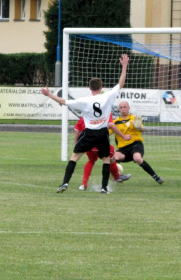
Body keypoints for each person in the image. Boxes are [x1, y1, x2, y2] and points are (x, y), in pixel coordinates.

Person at [40, 53, 130, 194]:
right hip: (102, 134)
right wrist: (124, 66)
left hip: (88, 133)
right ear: (101, 87)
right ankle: (104, 188)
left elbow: (63, 102)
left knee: (75, 157)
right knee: (106, 159)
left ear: (89, 88)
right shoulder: (107, 96)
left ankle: (64, 183)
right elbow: (121, 84)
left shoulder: (84, 101)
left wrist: (49, 94)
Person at [74, 116, 132, 191]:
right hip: (100, 142)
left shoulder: (85, 116)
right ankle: (116, 177)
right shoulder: (105, 112)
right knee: (110, 158)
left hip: (88, 144)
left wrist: (77, 145)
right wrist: (124, 136)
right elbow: (111, 125)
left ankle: (83, 184)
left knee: (91, 161)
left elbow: (77, 130)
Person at [113, 101, 164, 184]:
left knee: (137, 158)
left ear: (129, 108)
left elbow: (143, 129)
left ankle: (156, 177)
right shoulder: (115, 122)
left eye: (125, 107)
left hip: (136, 144)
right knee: (114, 157)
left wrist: (139, 127)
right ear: (119, 109)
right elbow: (107, 132)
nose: (123, 109)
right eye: (121, 107)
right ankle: (119, 176)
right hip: (123, 149)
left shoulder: (134, 118)